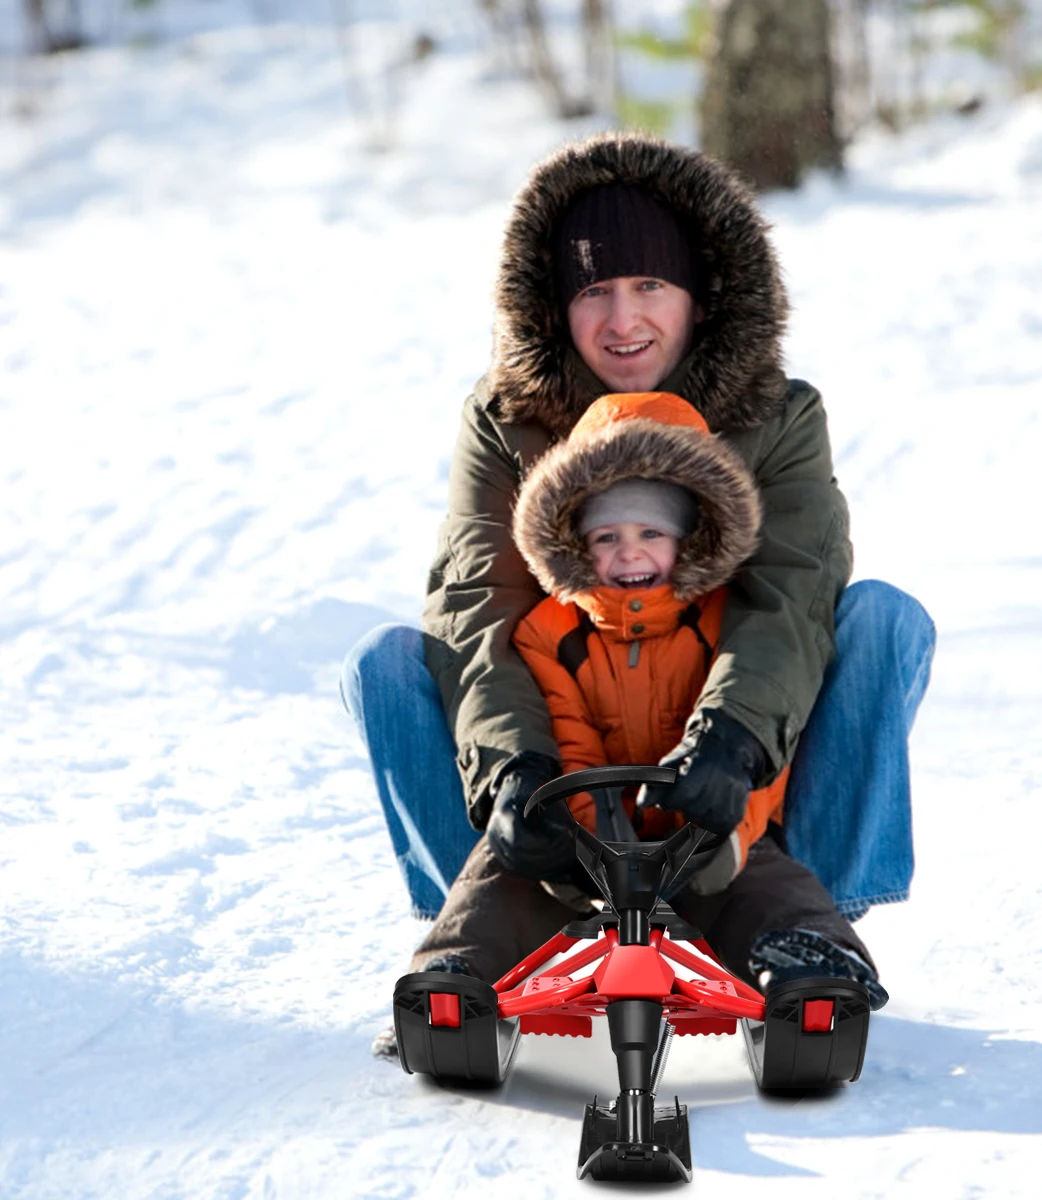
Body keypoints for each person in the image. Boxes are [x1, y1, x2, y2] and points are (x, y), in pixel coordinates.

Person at [341, 131, 934, 948]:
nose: (623, 321)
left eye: (650, 284)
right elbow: (479, 603)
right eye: (594, 292)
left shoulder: (778, 416)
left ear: (700, 295)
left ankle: (806, 917)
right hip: (568, 762)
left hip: (727, 785)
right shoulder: (508, 420)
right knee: (387, 663)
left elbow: (790, 597)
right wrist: (515, 771)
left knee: (881, 621)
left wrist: (732, 738)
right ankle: (490, 920)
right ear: (556, 306)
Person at [397, 388, 889, 1014]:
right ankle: (455, 978)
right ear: (574, 542)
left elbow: (763, 750)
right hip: (586, 841)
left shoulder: (719, 624)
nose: (629, 552)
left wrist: (726, 832)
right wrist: (569, 832)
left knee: (766, 882)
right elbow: (565, 739)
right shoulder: (549, 633)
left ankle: (811, 966)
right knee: (500, 874)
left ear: (690, 539)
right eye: (606, 536)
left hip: (706, 829)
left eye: (651, 532)